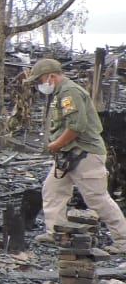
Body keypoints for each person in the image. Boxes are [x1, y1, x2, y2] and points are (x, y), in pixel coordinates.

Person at [27, 58, 126, 253]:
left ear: (51, 76)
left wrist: (55, 144)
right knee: (52, 190)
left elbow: (76, 127)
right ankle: (56, 231)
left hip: (84, 154)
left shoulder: (69, 92)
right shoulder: (60, 92)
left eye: (40, 80)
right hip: (68, 154)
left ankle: (123, 240)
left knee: (97, 198)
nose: (39, 85)